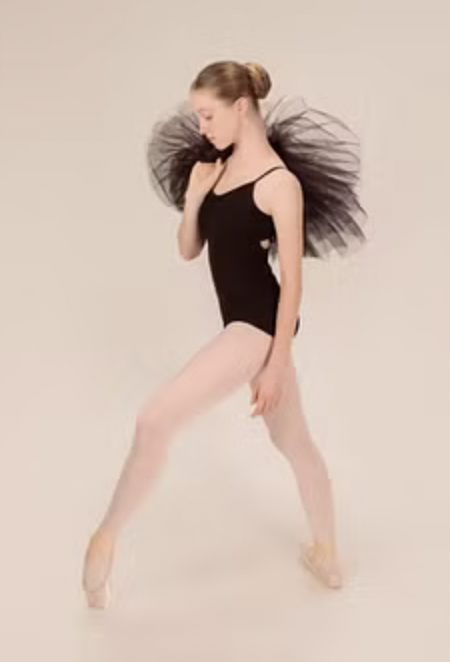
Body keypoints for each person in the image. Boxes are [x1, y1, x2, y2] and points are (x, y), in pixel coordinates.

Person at [82, 60, 366, 609]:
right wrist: (194, 198)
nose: (202, 126)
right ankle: (327, 555)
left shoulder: (279, 184)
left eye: (208, 115)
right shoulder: (217, 167)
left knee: (155, 418)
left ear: (241, 107)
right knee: (293, 442)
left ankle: (105, 537)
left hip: (255, 325)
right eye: (197, 116)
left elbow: (292, 282)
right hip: (245, 326)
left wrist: (276, 362)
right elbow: (189, 250)